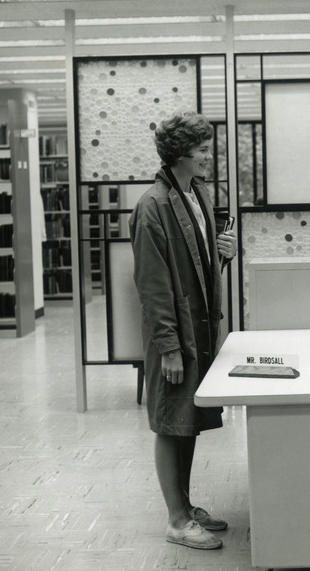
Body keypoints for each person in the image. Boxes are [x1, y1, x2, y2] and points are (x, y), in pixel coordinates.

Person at [129, 112, 238, 550]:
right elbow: (152, 287)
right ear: (180, 154)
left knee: (186, 420)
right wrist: (169, 348)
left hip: (198, 329)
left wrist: (223, 254)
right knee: (170, 422)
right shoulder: (151, 206)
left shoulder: (198, 194)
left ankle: (185, 507)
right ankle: (176, 520)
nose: (208, 155)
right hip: (173, 336)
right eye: (202, 149)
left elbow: (199, 265)